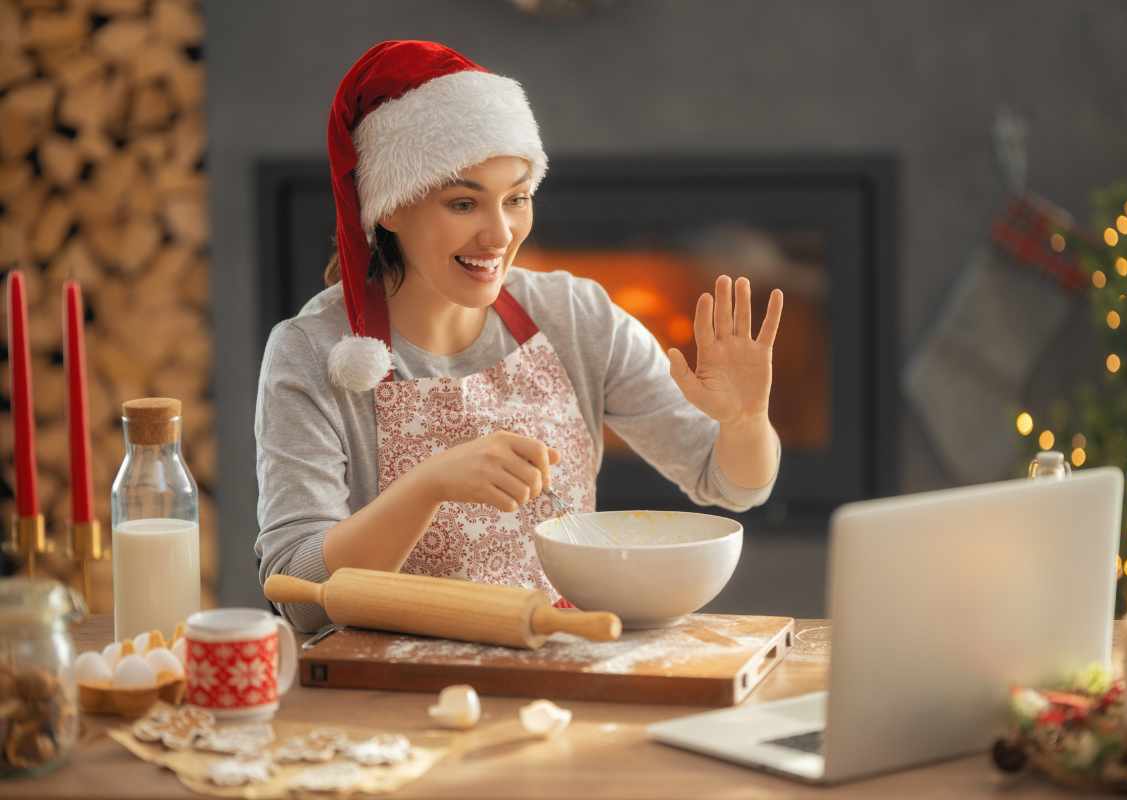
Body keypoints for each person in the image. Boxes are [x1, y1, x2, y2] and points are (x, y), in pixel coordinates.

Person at [255, 40, 784, 632]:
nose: (499, 234)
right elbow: (299, 596)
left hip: (563, 665)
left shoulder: (576, 315)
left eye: (517, 199)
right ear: (389, 207)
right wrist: (428, 486)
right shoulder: (310, 351)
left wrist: (745, 422)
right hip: (394, 691)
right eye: (463, 202)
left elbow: (732, 485)